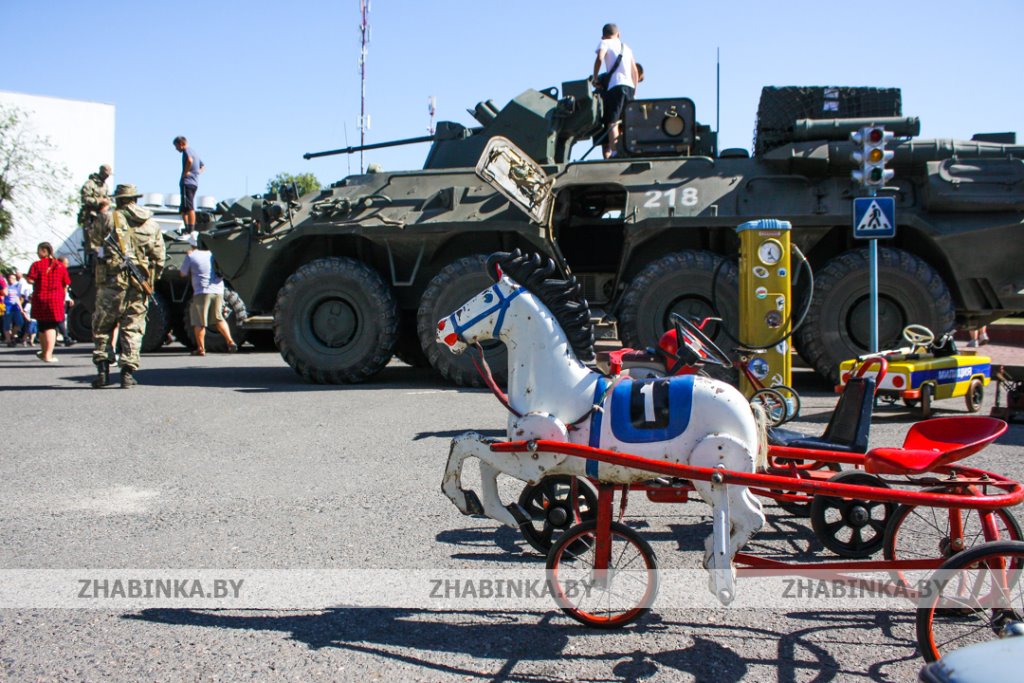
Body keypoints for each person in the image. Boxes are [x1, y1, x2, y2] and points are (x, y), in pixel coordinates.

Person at [88, 183, 166, 388]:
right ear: (135, 199)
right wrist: (149, 280)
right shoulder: (151, 224)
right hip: (140, 284)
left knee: (103, 326)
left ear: (119, 200)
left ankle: (103, 372)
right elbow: (159, 258)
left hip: (111, 283)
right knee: (133, 328)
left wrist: (106, 260)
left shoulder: (107, 219)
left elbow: (95, 246)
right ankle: (127, 374)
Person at [180, 232, 237, 355]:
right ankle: (230, 341)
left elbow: (182, 273)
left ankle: (201, 349)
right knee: (219, 318)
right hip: (218, 290)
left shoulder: (192, 255)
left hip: (202, 292)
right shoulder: (214, 254)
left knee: (199, 322)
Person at [592, 23, 639, 159]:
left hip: (615, 86)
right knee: (627, 121)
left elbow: (599, 58)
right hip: (629, 86)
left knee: (612, 121)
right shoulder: (627, 48)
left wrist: (595, 77)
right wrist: (634, 91)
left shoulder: (604, 42)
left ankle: (615, 151)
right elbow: (634, 71)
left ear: (603, 35)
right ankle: (630, 148)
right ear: (618, 34)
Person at [26, 242, 71, 363]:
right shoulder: (60, 266)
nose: (37, 253)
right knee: (51, 326)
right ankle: (48, 354)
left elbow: (30, 280)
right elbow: (66, 282)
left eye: (39, 250)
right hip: (55, 299)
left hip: (40, 298)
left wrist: (30, 279)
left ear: (45, 251)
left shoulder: (37, 265)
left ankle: (44, 352)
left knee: (42, 326)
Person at [173, 136, 205, 234]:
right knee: (183, 208)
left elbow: (190, 161)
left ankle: (190, 229)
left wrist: (185, 173)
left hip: (187, 183)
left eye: (176, 146)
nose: (176, 149)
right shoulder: (194, 152)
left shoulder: (187, 151)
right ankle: (187, 227)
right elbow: (203, 166)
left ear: (181, 144)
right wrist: (196, 173)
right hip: (194, 183)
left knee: (189, 207)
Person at [79, 164, 112, 252]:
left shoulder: (105, 185)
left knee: (103, 244)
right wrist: (99, 201)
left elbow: (108, 198)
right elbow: (84, 198)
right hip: (91, 218)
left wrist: (107, 202)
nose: (107, 177)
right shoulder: (90, 183)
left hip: (102, 217)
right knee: (92, 246)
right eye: (106, 174)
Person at [3, 272, 27, 347]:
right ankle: (8, 340)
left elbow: (17, 298)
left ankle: (12, 335)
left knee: (20, 323)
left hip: (15, 307)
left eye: (13, 278)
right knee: (6, 324)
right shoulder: (5, 287)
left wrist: (21, 309)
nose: (11, 280)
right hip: (7, 307)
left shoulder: (16, 287)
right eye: (10, 278)